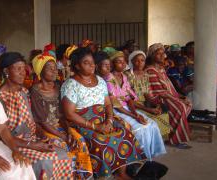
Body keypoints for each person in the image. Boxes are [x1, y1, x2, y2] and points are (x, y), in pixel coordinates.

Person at [61, 47, 146, 179]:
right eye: (86, 62)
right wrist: (95, 127)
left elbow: (107, 104)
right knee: (100, 142)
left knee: (124, 133)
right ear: (77, 66)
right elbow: (69, 114)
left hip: (103, 119)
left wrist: (109, 121)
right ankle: (103, 175)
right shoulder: (70, 84)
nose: (92, 65)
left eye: (92, 62)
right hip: (83, 123)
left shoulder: (100, 81)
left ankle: (121, 173)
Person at [0, 52, 73, 179]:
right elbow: (2, 134)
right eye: (18, 69)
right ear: (6, 71)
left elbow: (32, 121)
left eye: (23, 69)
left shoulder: (24, 92)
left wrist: (42, 136)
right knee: (44, 161)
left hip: (31, 139)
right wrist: (32, 145)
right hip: (13, 144)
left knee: (63, 153)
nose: (23, 73)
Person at [31, 50, 93, 178]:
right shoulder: (35, 91)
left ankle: (81, 176)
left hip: (62, 126)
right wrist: (63, 136)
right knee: (64, 146)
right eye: (50, 69)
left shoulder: (60, 86)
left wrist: (69, 132)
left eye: (55, 68)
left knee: (79, 140)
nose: (54, 71)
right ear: (40, 71)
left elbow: (63, 114)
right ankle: (68, 176)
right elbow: (42, 121)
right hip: (45, 129)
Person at [101, 50, 166, 160]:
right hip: (115, 110)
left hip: (127, 108)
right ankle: (138, 158)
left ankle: (150, 154)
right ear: (112, 64)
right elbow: (116, 104)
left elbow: (129, 98)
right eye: (118, 62)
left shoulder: (124, 77)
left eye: (123, 62)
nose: (122, 64)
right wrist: (134, 116)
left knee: (152, 125)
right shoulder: (108, 79)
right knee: (139, 129)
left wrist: (135, 113)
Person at [145, 43, 192, 148]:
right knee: (180, 107)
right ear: (152, 56)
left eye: (163, 53)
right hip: (157, 98)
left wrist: (179, 96)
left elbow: (169, 87)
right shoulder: (150, 70)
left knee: (188, 103)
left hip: (167, 96)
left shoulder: (161, 69)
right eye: (159, 54)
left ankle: (175, 131)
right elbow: (159, 91)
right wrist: (177, 99)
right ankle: (175, 140)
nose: (163, 56)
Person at [125, 50, 171, 140]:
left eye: (142, 60)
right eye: (137, 60)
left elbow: (146, 93)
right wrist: (148, 109)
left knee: (163, 115)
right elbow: (128, 99)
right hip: (132, 105)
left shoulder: (145, 75)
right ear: (132, 62)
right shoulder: (127, 75)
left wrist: (155, 105)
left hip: (142, 105)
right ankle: (149, 141)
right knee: (151, 119)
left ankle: (157, 141)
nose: (140, 63)